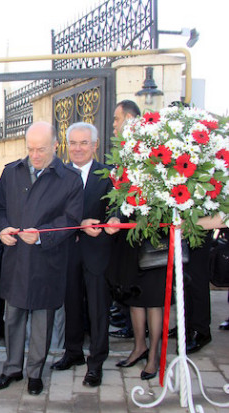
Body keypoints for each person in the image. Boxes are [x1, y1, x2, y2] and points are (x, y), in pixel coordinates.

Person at [0, 121, 83, 395]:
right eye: (30, 149)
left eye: (41, 149)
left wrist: (43, 235)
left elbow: (71, 219)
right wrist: (1, 229)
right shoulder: (11, 172)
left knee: (42, 320)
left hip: (47, 259)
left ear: (56, 145)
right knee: (13, 317)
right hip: (16, 258)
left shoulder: (70, 178)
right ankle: (11, 368)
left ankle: (35, 373)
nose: (35, 155)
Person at [50, 122, 117, 387]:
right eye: (74, 143)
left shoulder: (109, 174)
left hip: (97, 251)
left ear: (95, 145)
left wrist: (112, 220)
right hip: (66, 250)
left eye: (84, 143)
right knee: (71, 304)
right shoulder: (58, 173)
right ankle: (73, 352)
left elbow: (118, 206)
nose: (78, 148)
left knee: (99, 307)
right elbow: (52, 211)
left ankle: (96, 362)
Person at [108, 99, 142, 340]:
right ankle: (126, 316)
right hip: (121, 225)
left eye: (116, 119)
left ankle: (134, 326)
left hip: (137, 228)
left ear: (129, 119)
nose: (113, 125)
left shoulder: (140, 150)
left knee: (134, 279)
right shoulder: (122, 149)